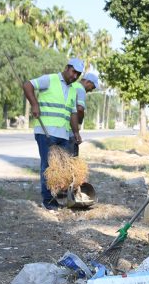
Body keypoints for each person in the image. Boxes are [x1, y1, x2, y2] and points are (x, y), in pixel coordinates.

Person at [22, 58, 84, 211]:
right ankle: (48, 200)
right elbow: (27, 85)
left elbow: (73, 113)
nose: (75, 76)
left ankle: (61, 197)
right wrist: (35, 104)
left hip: (63, 135)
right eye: (73, 72)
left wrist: (76, 132)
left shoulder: (73, 90)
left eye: (78, 74)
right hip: (45, 131)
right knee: (48, 166)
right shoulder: (50, 79)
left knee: (64, 168)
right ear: (67, 67)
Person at [69, 72, 99, 156]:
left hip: (62, 128)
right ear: (88, 82)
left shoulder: (72, 85)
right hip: (70, 130)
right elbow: (80, 109)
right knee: (72, 159)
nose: (91, 90)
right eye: (92, 87)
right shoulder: (80, 89)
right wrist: (78, 124)